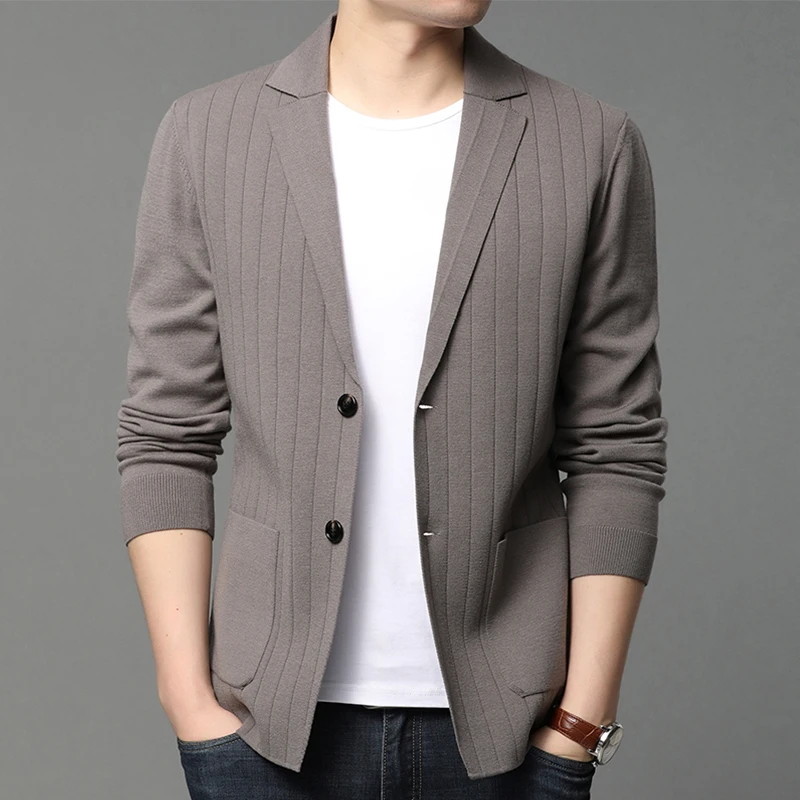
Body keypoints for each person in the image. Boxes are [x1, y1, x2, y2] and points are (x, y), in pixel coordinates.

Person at [116, 1, 668, 797]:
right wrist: (187, 699)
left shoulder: (589, 141)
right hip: (265, 726)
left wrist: (582, 722)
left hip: (512, 730)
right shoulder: (209, 134)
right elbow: (167, 432)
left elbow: (616, 443)